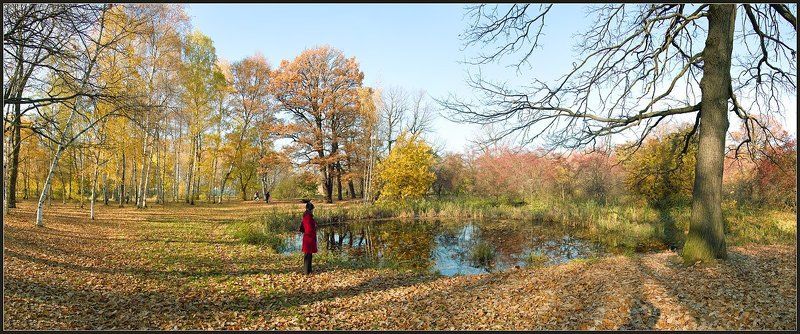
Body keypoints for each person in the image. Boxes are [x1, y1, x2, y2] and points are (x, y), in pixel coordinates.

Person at [299, 200, 318, 274]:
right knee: (307, 255)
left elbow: (301, 227)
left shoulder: (306, 216)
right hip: (309, 238)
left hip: (308, 237)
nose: (313, 211)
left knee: (309, 255)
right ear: (310, 209)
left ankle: (309, 270)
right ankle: (306, 271)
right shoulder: (308, 217)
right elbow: (309, 229)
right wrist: (314, 229)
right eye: (313, 209)